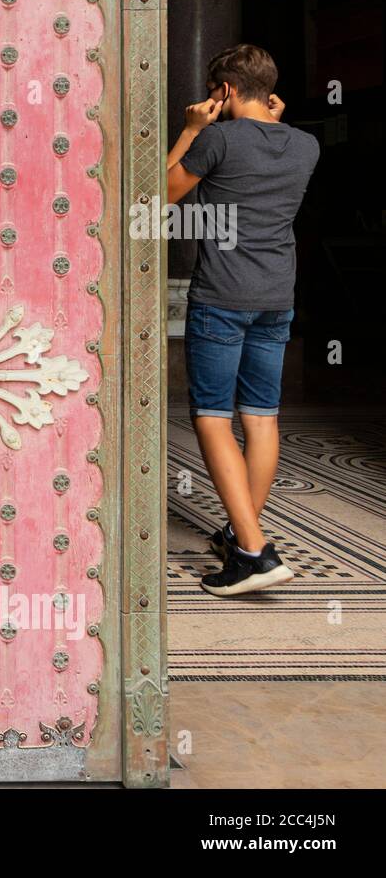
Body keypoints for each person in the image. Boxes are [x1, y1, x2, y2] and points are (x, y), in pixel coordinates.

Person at [165, 43, 320, 596]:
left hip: (223, 296)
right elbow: (267, 154)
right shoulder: (306, 145)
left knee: (211, 415)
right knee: (261, 417)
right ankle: (242, 534)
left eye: (215, 93)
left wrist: (189, 130)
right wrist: (267, 124)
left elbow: (156, 197)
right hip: (278, 296)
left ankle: (254, 553)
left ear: (225, 90)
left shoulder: (216, 138)